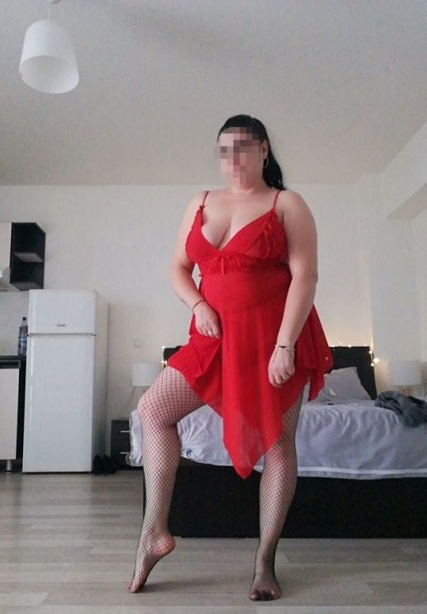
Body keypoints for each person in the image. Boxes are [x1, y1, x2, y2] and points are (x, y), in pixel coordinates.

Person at [128, 114, 332, 600]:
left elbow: (305, 277)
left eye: (242, 147)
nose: (232, 158)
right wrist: (198, 305)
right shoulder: (200, 202)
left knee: (278, 443)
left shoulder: (286, 203)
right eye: (224, 149)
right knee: (153, 410)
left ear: (263, 150)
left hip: (273, 339)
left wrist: (285, 345)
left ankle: (264, 562)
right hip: (213, 340)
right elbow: (179, 268)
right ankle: (154, 531)